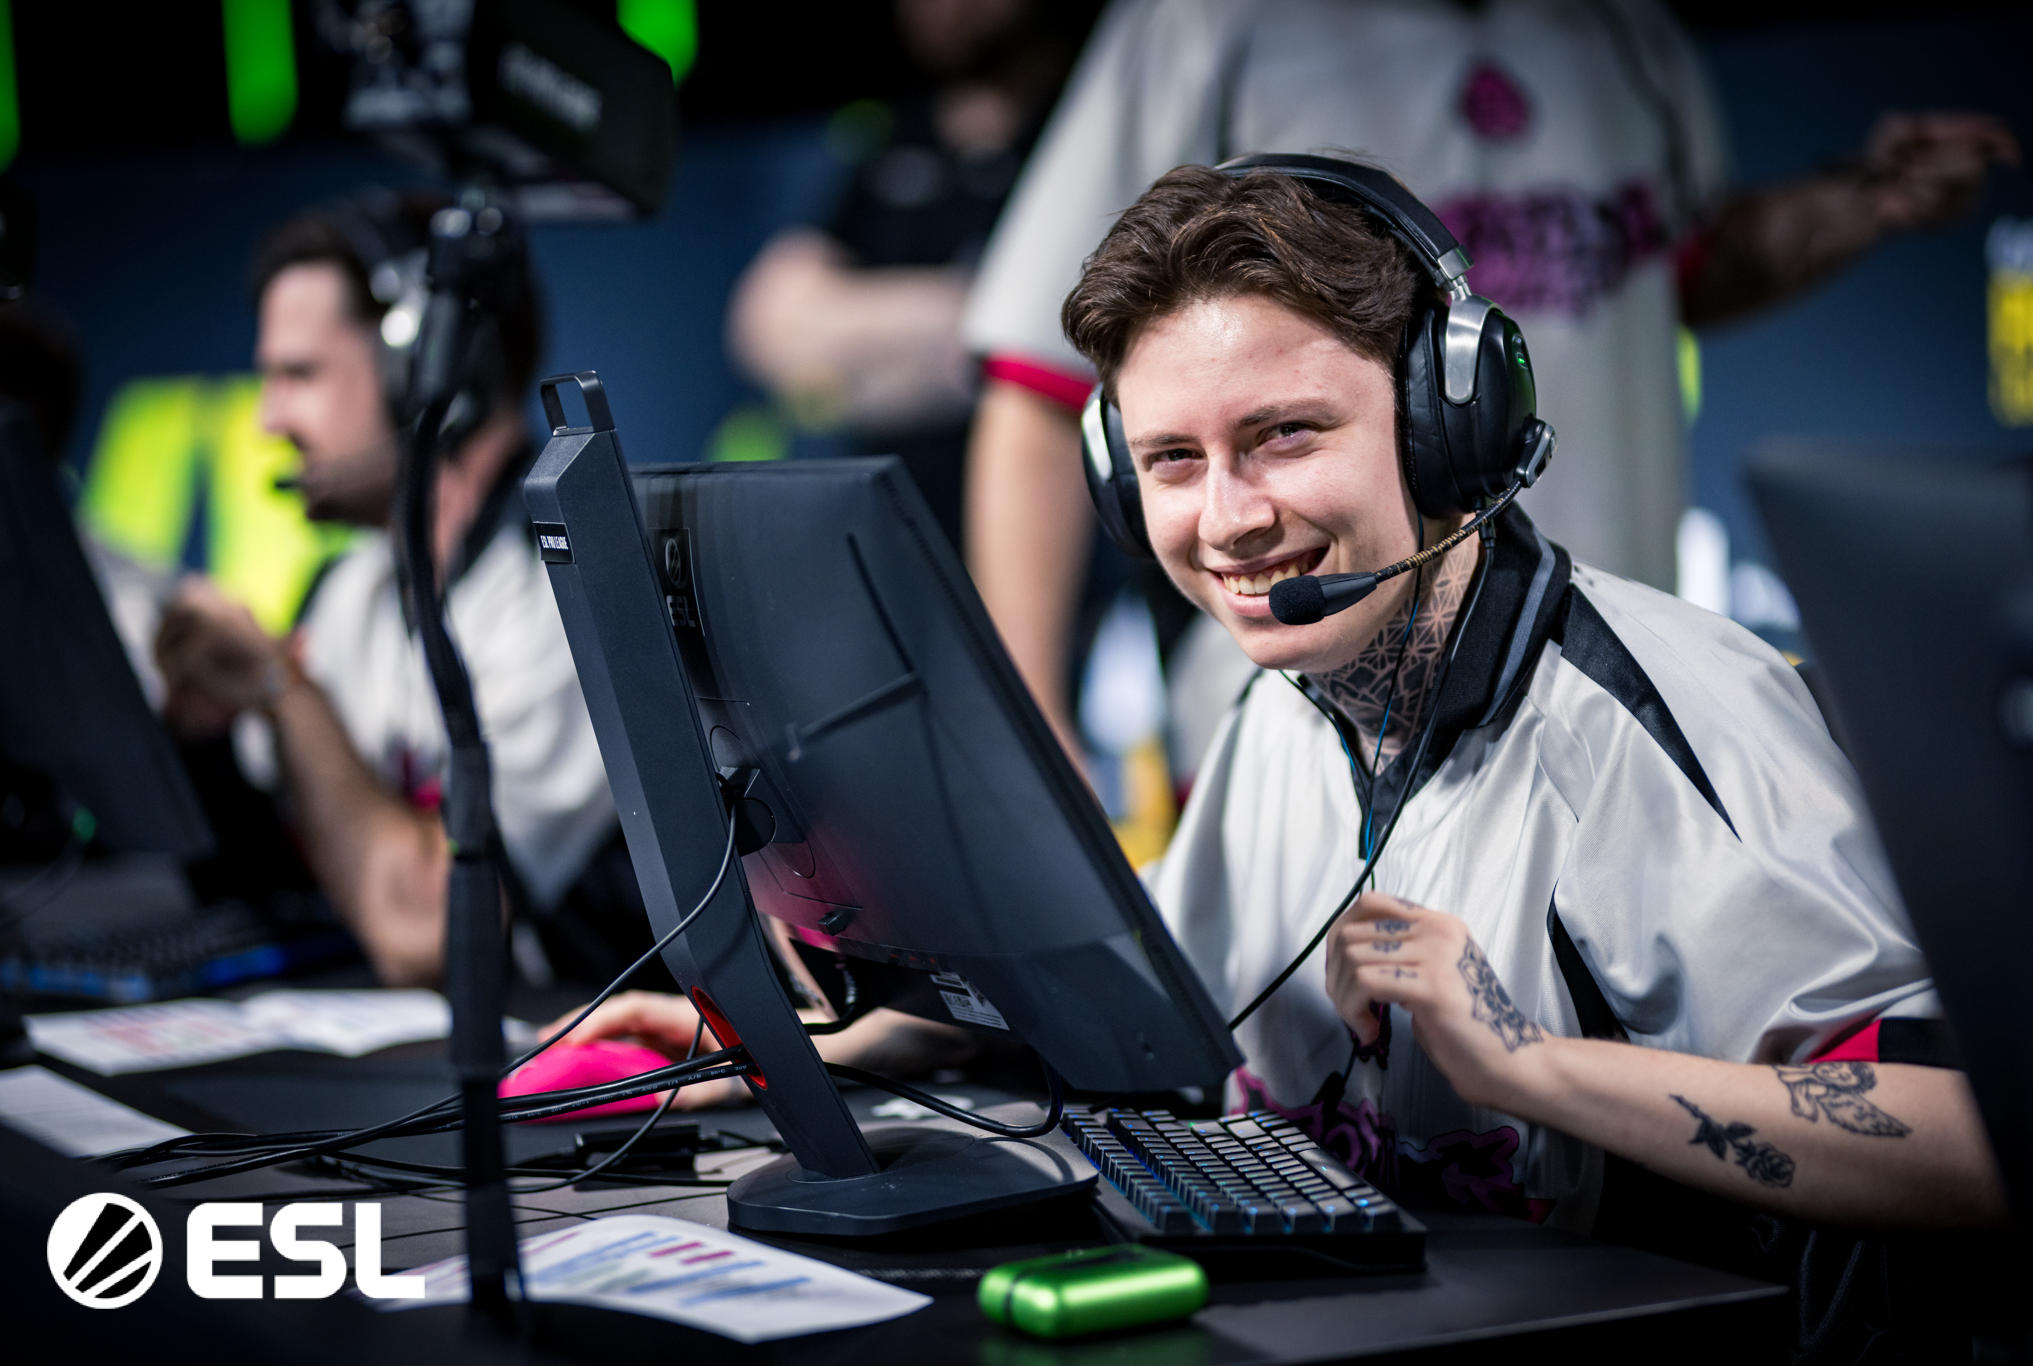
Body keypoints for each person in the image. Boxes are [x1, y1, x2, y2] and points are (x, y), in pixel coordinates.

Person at [1058, 162, 2006, 1248]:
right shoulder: (1277, 702)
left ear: (1443, 428)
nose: (1227, 520)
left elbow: (1973, 1145)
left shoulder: (1650, 715)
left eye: (1286, 434)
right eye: (1172, 460)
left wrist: (1529, 1066)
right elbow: (1159, 995)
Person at [959, 0, 2020, 760]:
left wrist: (1855, 204)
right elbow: (1046, 385)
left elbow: (1679, 258)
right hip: (1306, 713)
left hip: (1613, 692)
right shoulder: (1201, 22)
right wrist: (1028, 732)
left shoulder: (1621, 27)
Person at [153, 194, 631, 988]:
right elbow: (278, 880)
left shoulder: (563, 591)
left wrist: (283, 690)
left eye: (298, 374)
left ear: (430, 370)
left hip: (583, 1051)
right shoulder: (354, 589)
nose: (269, 419)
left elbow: (426, 932)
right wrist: (202, 731)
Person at [727, 0, 1087, 549]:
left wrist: (857, 348)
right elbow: (767, 325)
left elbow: (1073, 330)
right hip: (893, 529)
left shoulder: (1084, 124)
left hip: (1051, 530)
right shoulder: (892, 134)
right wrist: (964, 331)